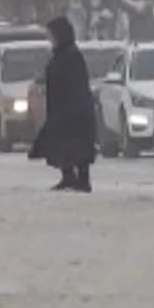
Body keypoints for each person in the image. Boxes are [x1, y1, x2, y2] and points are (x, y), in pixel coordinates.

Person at [31, 15, 96, 192]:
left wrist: (72, 108)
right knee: (62, 144)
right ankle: (68, 176)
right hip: (62, 107)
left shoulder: (71, 56)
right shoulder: (60, 55)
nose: (49, 39)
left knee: (77, 145)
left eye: (51, 35)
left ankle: (82, 179)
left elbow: (76, 84)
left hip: (74, 109)